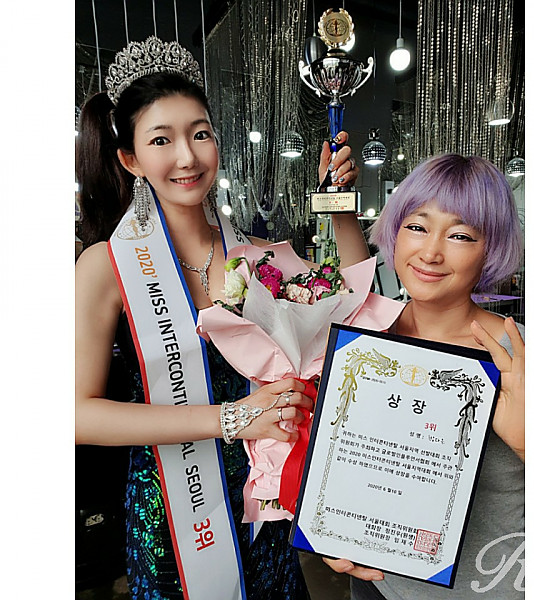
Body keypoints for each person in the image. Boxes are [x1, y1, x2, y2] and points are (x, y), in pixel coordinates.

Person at [75, 36, 369, 600]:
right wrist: (232, 418)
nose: (187, 156)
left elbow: (355, 309)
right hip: (171, 508)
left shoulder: (255, 256)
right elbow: (78, 415)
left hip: (261, 498)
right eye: (161, 140)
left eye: (200, 133)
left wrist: (340, 209)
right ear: (130, 159)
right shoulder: (106, 266)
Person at [324, 153, 525, 599]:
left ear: (490, 249)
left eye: (460, 235)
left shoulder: (521, 356)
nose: (431, 252)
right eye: (417, 226)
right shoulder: (369, 338)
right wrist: (328, 529)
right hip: (378, 585)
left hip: (488, 586)